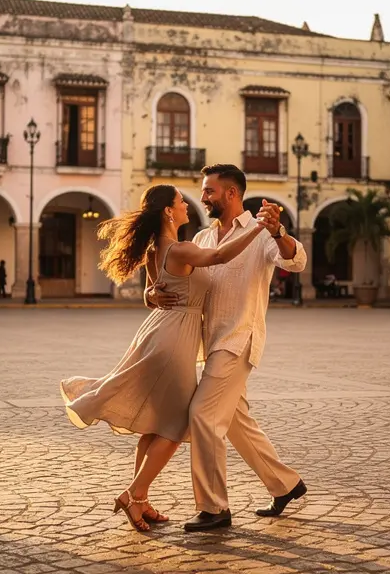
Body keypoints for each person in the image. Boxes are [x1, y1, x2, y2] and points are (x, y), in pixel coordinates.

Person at [60, 183, 266, 532]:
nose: (188, 205)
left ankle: (140, 501)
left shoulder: (158, 250)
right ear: (169, 212)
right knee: (175, 426)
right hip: (173, 342)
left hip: (159, 333)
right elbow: (217, 257)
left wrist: (151, 294)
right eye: (181, 202)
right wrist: (258, 227)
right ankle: (133, 493)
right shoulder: (180, 248)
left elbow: (152, 291)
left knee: (156, 424)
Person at [146, 163, 309, 532]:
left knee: (203, 414)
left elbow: (296, 260)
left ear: (231, 194)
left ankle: (214, 508)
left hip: (238, 338)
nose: (202, 197)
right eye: (203, 192)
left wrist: (278, 231)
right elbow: (180, 282)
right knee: (236, 422)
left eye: (209, 191)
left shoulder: (261, 231)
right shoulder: (203, 239)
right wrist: (151, 292)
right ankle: (285, 484)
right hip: (208, 342)